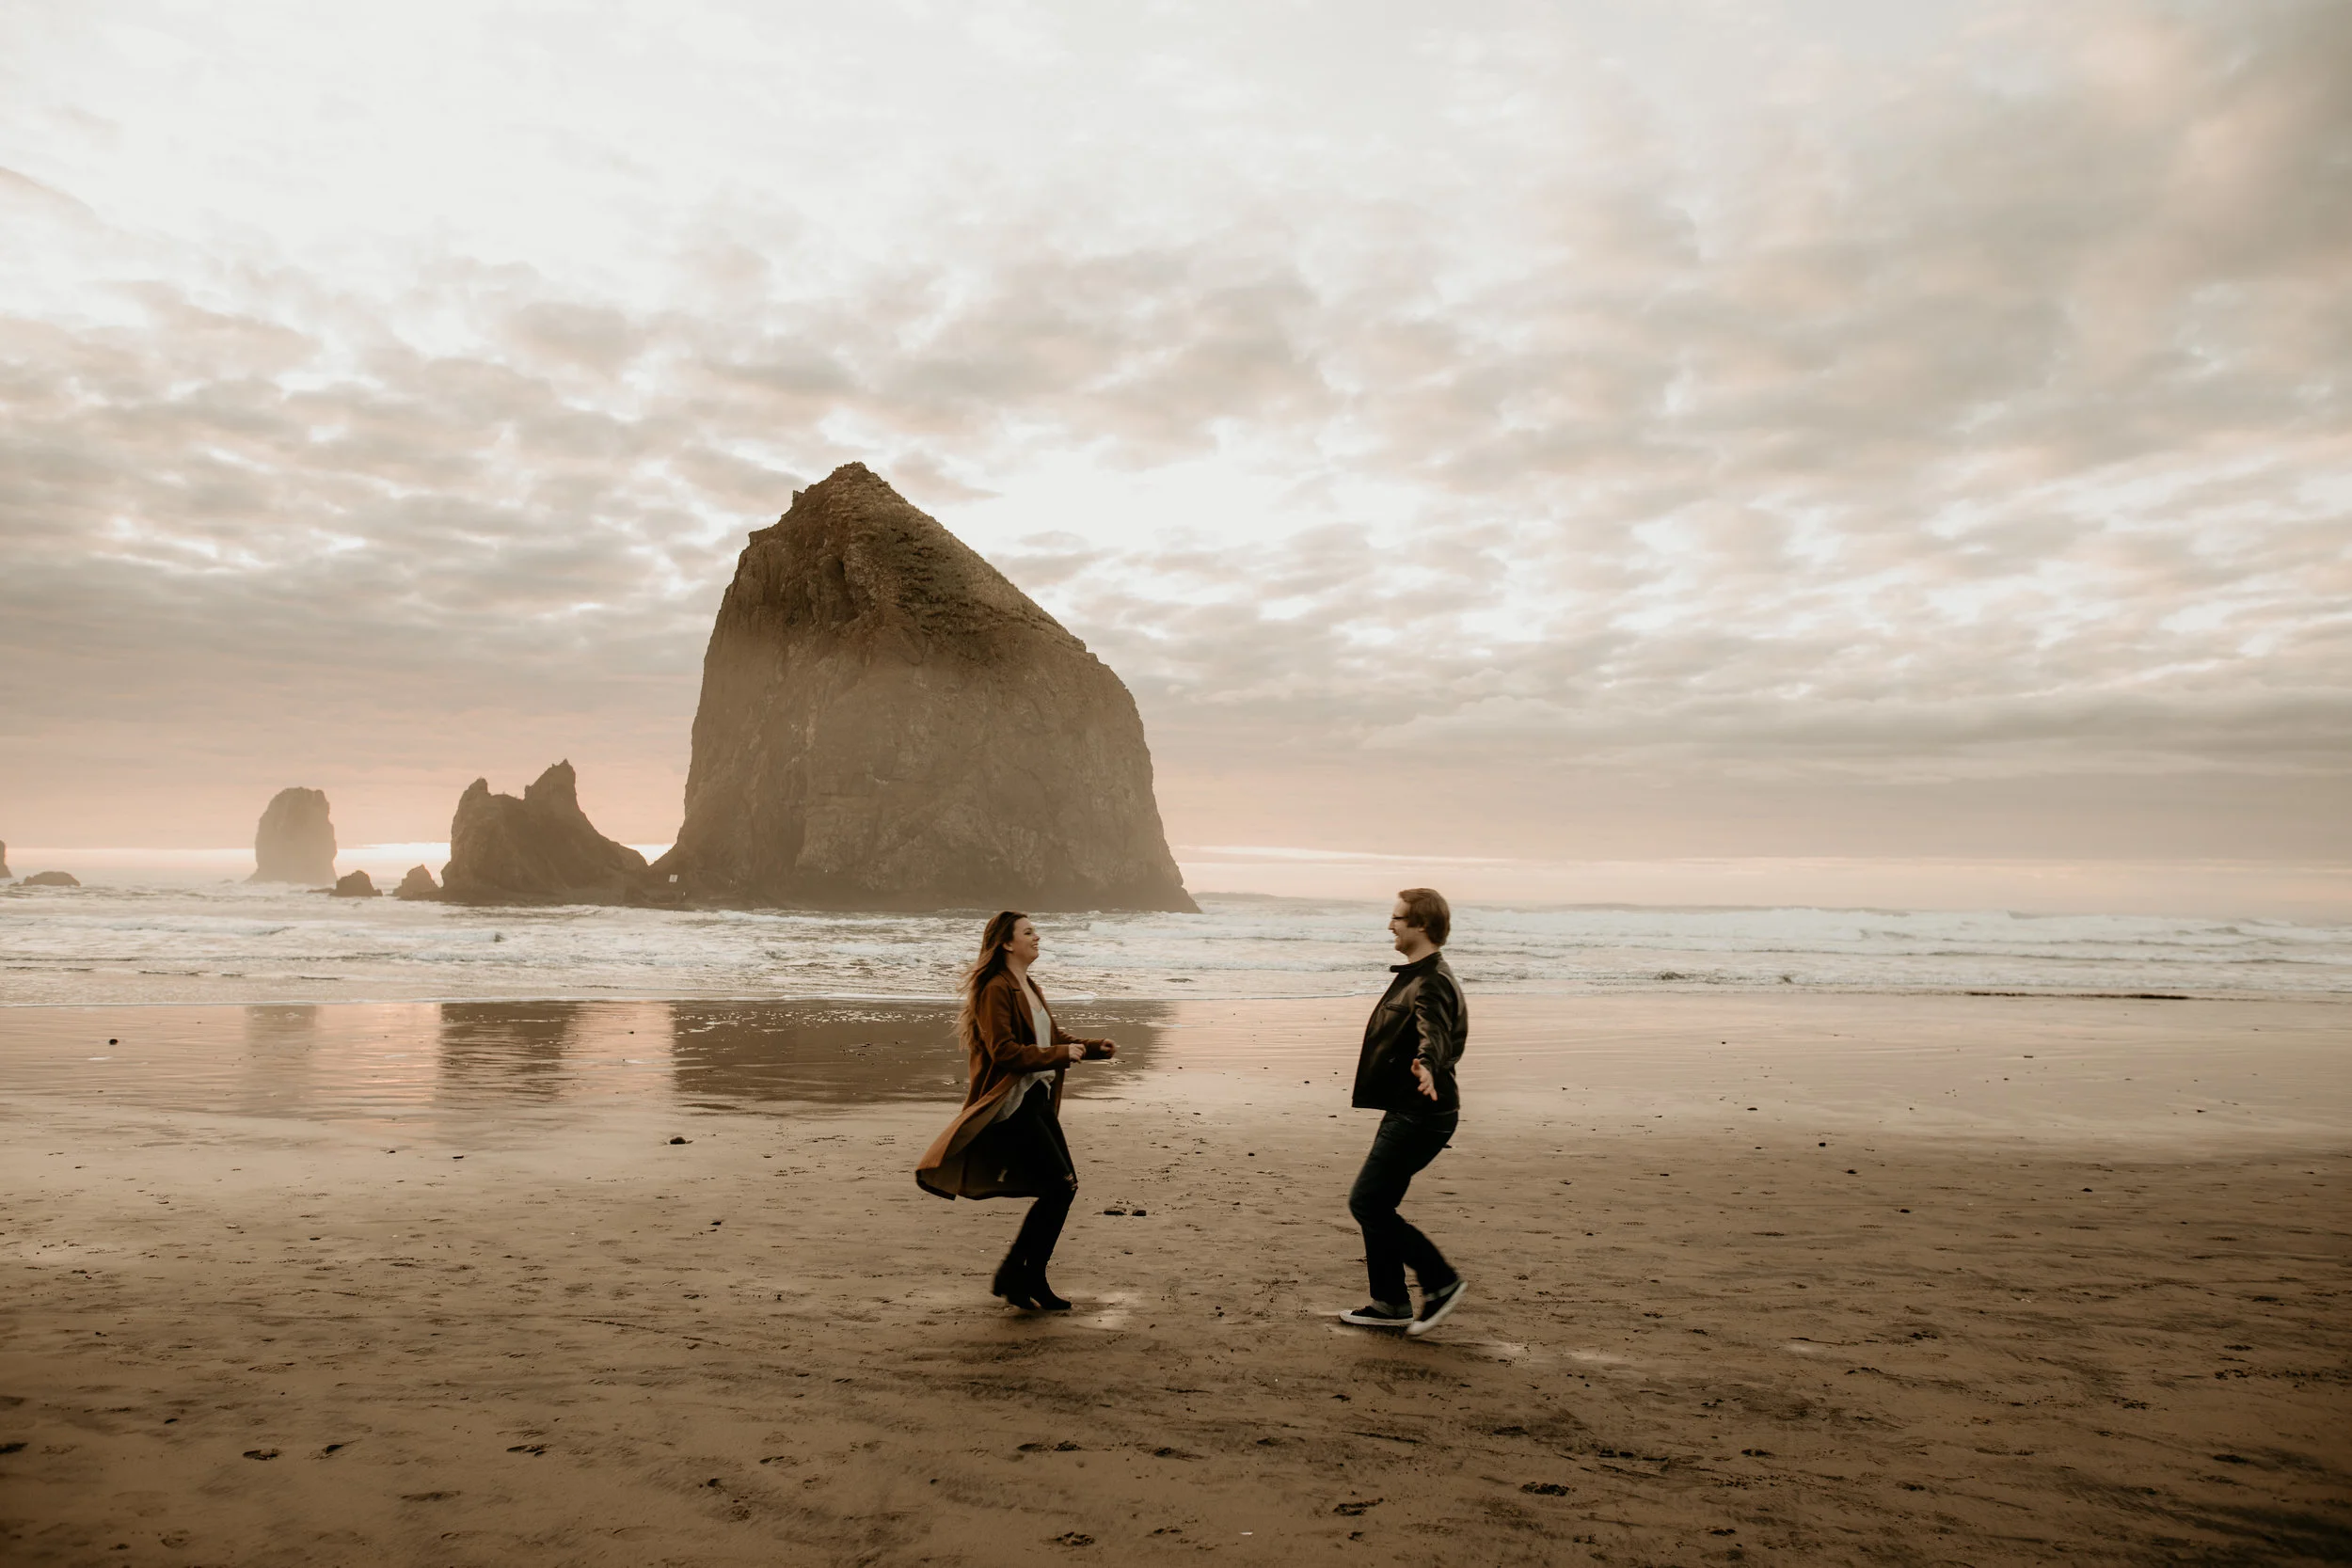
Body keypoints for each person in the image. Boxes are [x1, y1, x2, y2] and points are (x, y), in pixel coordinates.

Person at [915, 911, 1117, 1310]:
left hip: (1036, 1099)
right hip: (1014, 1103)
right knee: (1061, 1187)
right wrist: (1060, 1053)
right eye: (1028, 932)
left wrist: (1091, 1047)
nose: (1037, 937)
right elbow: (1003, 1051)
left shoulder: (1028, 984)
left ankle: (1019, 1275)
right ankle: (1021, 1275)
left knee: (1062, 1187)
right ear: (1007, 943)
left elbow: (1050, 1037)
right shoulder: (996, 988)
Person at [1339, 887, 1469, 1337]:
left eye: (1397, 918)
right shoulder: (1418, 973)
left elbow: (1435, 1033)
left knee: (1367, 1202)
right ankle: (1389, 1302)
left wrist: (1430, 1066)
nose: (1390, 925)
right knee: (1378, 1203)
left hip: (1421, 1111)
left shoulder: (1430, 981)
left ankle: (1441, 1281)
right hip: (1411, 1107)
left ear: (1423, 927)